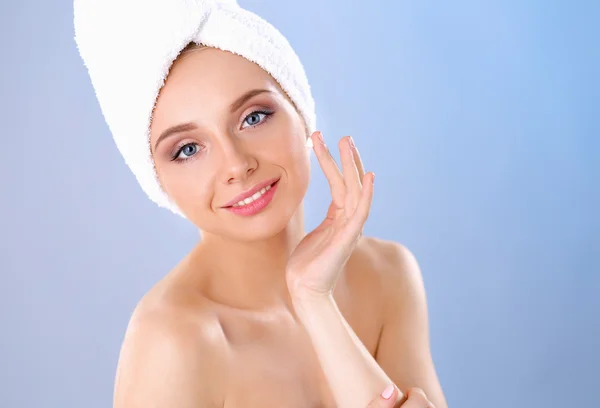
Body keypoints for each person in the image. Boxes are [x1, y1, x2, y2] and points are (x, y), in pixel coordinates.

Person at [74, 1, 447, 407]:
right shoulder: (174, 341)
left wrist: (312, 299)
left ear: (300, 110)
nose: (236, 165)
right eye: (188, 149)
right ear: (156, 180)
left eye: (253, 117)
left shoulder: (388, 276)